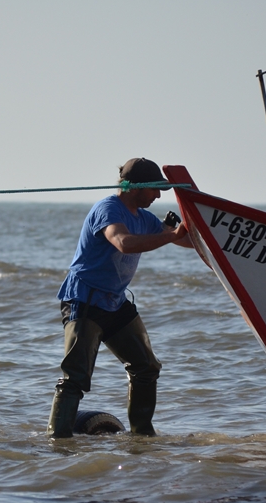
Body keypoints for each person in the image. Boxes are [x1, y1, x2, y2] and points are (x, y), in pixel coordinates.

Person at [47, 158, 192, 439]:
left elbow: (183, 240)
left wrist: (199, 231)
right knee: (75, 378)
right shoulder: (108, 209)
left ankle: (142, 436)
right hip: (85, 301)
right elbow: (123, 243)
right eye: (154, 189)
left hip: (115, 303)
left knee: (146, 367)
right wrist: (173, 233)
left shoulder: (144, 217)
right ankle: (58, 441)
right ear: (136, 187)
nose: (159, 195)